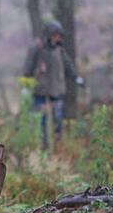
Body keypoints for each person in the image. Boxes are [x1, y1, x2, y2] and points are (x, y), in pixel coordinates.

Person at [23, 20, 85, 150]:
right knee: (41, 120)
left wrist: (76, 78)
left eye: (59, 35)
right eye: (55, 35)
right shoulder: (37, 47)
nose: (58, 38)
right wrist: (27, 85)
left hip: (56, 90)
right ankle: (42, 146)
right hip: (40, 91)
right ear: (49, 34)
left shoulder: (59, 49)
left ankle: (57, 146)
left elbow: (68, 66)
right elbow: (27, 69)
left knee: (58, 119)